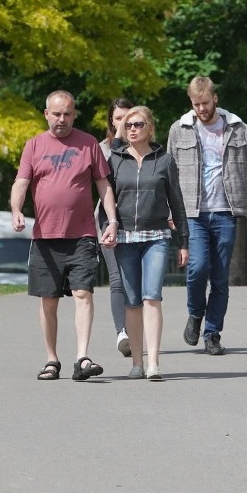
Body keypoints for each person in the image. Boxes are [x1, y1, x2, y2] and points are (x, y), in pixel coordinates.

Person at [167, 76, 247, 355]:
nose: (201, 109)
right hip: (193, 212)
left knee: (219, 277)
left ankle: (212, 333)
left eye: (205, 103)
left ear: (215, 98)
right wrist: (168, 210)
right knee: (197, 269)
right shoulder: (179, 129)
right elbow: (167, 174)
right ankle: (195, 314)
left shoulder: (237, 127)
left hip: (226, 211)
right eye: (196, 104)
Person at [11, 90, 118, 381]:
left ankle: (82, 358)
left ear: (74, 114)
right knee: (48, 299)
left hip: (81, 234)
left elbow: (103, 184)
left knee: (83, 293)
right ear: (46, 114)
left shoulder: (89, 144)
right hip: (45, 237)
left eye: (67, 113)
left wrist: (112, 220)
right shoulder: (34, 145)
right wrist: (17, 210)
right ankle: (51, 360)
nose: (62, 119)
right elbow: (21, 182)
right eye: (56, 114)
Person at [103, 105, 189, 380]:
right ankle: (136, 363)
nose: (132, 129)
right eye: (128, 124)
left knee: (152, 297)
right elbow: (106, 198)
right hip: (125, 238)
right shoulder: (115, 160)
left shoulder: (164, 160)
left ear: (150, 128)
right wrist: (109, 227)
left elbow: (177, 201)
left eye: (138, 124)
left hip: (156, 237)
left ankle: (153, 363)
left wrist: (184, 241)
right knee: (132, 302)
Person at [97, 97, 134, 357]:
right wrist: (119, 141)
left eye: (127, 118)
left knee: (136, 281)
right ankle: (122, 332)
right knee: (116, 279)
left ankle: (137, 331)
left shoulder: (146, 147)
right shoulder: (102, 149)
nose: (123, 123)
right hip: (108, 219)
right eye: (118, 118)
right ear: (111, 120)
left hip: (138, 220)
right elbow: (105, 180)